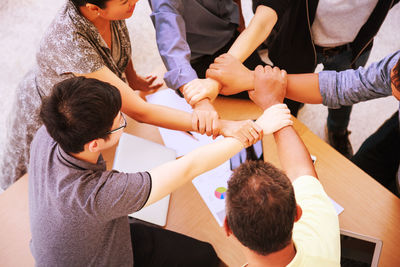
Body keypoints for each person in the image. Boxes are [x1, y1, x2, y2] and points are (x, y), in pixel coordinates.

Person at [28, 76, 293, 266]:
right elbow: (189, 166)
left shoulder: (51, 131)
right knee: (205, 256)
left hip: (70, 244)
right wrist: (256, 128)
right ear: (94, 143)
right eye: (120, 123)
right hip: (97, 258)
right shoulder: (95, 196)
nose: (125, 120)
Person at [0, 0, 259, 190]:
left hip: (90, 93)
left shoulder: (114, 8)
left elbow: (118, 48)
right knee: (38, 181)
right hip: (54, 110)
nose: (134, 2)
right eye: (125, 1)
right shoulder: (70, 43)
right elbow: (140, 111)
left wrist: (134, 80)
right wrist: (217, 125)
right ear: (93, 8)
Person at [185, 0, 399, 158]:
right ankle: (291, 122)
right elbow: (263, 20)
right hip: (299, 43)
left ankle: (337, 131)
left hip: (353, 48)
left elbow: (348, 88)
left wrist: (247, 79)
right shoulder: (387, 73)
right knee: (288, 103)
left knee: (343, 103)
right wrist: (220, 77)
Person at [206, 51, 400, 195]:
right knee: (356, 180)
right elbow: (346, 85)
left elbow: (303, 177)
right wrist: (252, 79)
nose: (389, 82)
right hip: (394, 135)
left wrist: (273, 105)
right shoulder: (396, 67)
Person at [223, 66, 340, 266]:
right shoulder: (320, 230)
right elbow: (301, 170)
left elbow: (300, 171)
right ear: (297, 213)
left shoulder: (316, 223)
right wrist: (272, 105)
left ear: (228, 228)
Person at [149, 0, 267, 134]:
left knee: (268, 88)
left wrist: (240, 22)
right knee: (263, 93)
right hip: (201, 56)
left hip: (232, 34)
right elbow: (170, 44)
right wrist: (200, 100)